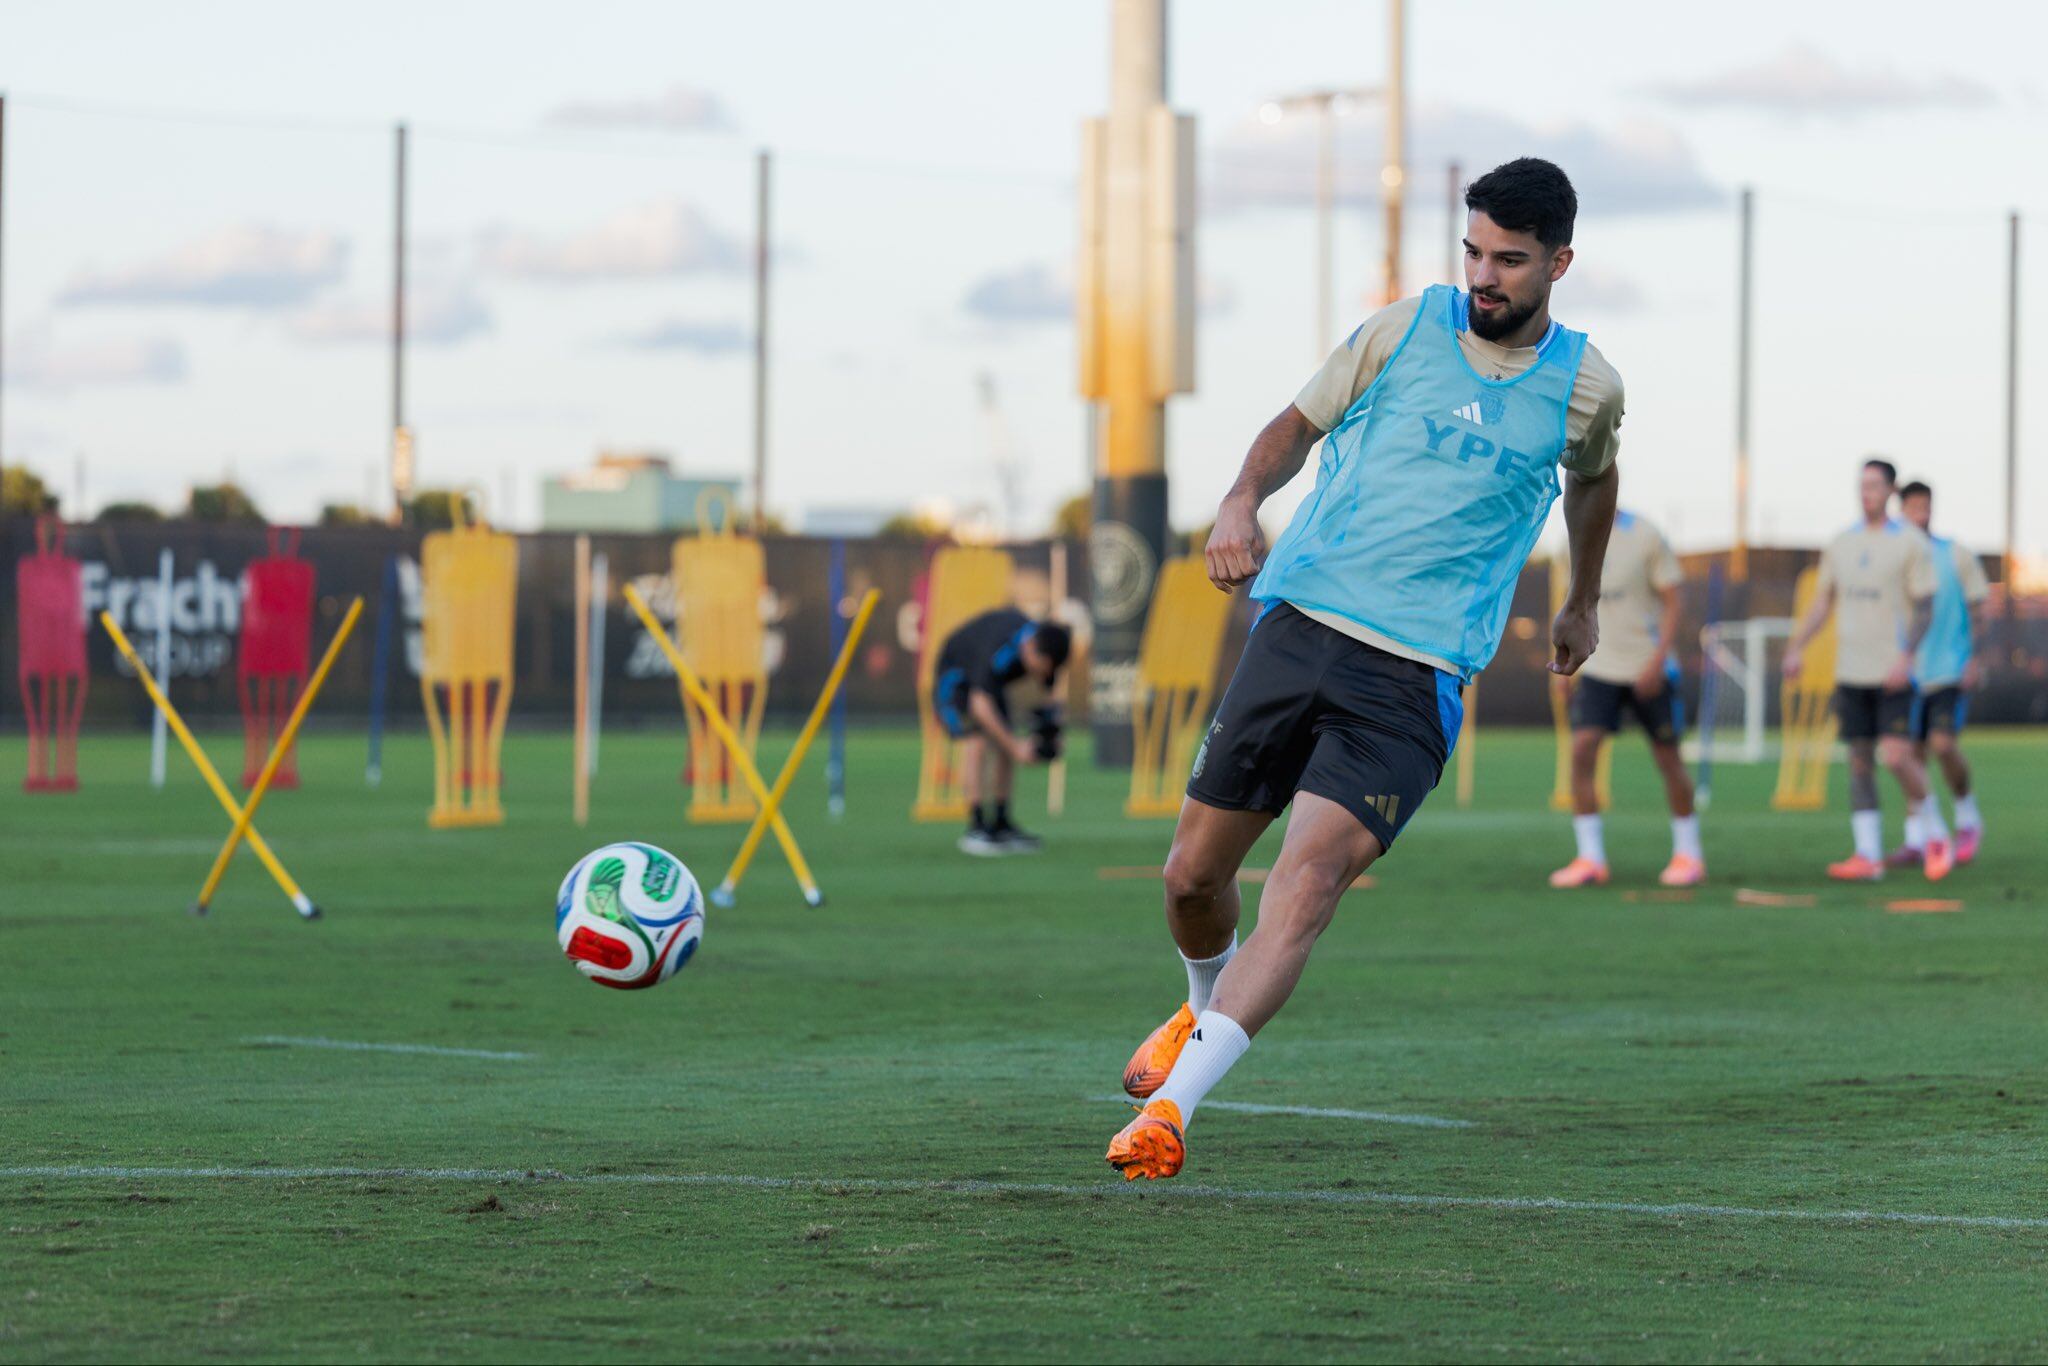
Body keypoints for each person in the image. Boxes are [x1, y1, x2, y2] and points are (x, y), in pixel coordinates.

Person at [1106, 158, 1623, 1181]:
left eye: (1509, 260)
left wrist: (1580, 599)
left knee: (1302, 888)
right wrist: (1236, 501)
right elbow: (1291, 429)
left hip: (1414, 678)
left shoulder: (1587, 386)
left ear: (1558, 263)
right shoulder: (1400, 328)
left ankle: (1172, 1109)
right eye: (1473, 250)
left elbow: (1593, 485)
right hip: (1298, 627)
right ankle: (1198, 1004)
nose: (1484, 274)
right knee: (1190, 878)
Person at [1781, 459, 1948, 882]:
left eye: (1875, 485)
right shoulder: (1840, 543)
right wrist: (1797, 647)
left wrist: (1907, 656)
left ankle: (1935, 830)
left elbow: (1925, 606)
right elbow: (1824, 602)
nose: (1866, 492)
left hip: (1892, 671)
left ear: (1890, 492)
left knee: (1895, 755)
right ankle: (1868, 854)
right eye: (1862, 485)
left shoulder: (1910, 543)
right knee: (1859, 761)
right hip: (1851, 671)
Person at [1549, 510, 1703, 888]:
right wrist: (1560, 658)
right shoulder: (1570, 539)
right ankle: (1591, 859)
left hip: (1648, 668)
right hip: (1599, 666)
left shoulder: (1647, 535)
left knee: (1668, 758)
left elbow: (1674, 603)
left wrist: (1657, 660)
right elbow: (1567, 605)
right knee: (1582, 751)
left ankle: (1689, 855)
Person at [1890, 480, 1991, 867]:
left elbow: (1979, 611)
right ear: (1903, 510)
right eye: (1913, 506)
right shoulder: (1897, 556)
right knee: (1908, 755)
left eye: (1926, 505)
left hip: (1948, 668)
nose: (1921, 512)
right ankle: (1918, 839)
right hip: (1908, 673)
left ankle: (1967, 816)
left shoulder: (1956, 555)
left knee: (1943, 745)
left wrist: (1975, 659)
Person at [933, 608, 1070, 856]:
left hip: (988, 688)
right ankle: (976, 827)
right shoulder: (1000, 646)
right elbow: (978, 703)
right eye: (1041, 668)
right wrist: (1017, 747)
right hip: (956, 680)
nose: (1041, 675)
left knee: (1005, 736)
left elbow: (1050, 699)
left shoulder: (1041, 645)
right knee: (978, 739)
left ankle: (1000, 823)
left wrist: (1052, 734)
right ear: (1031, 648)